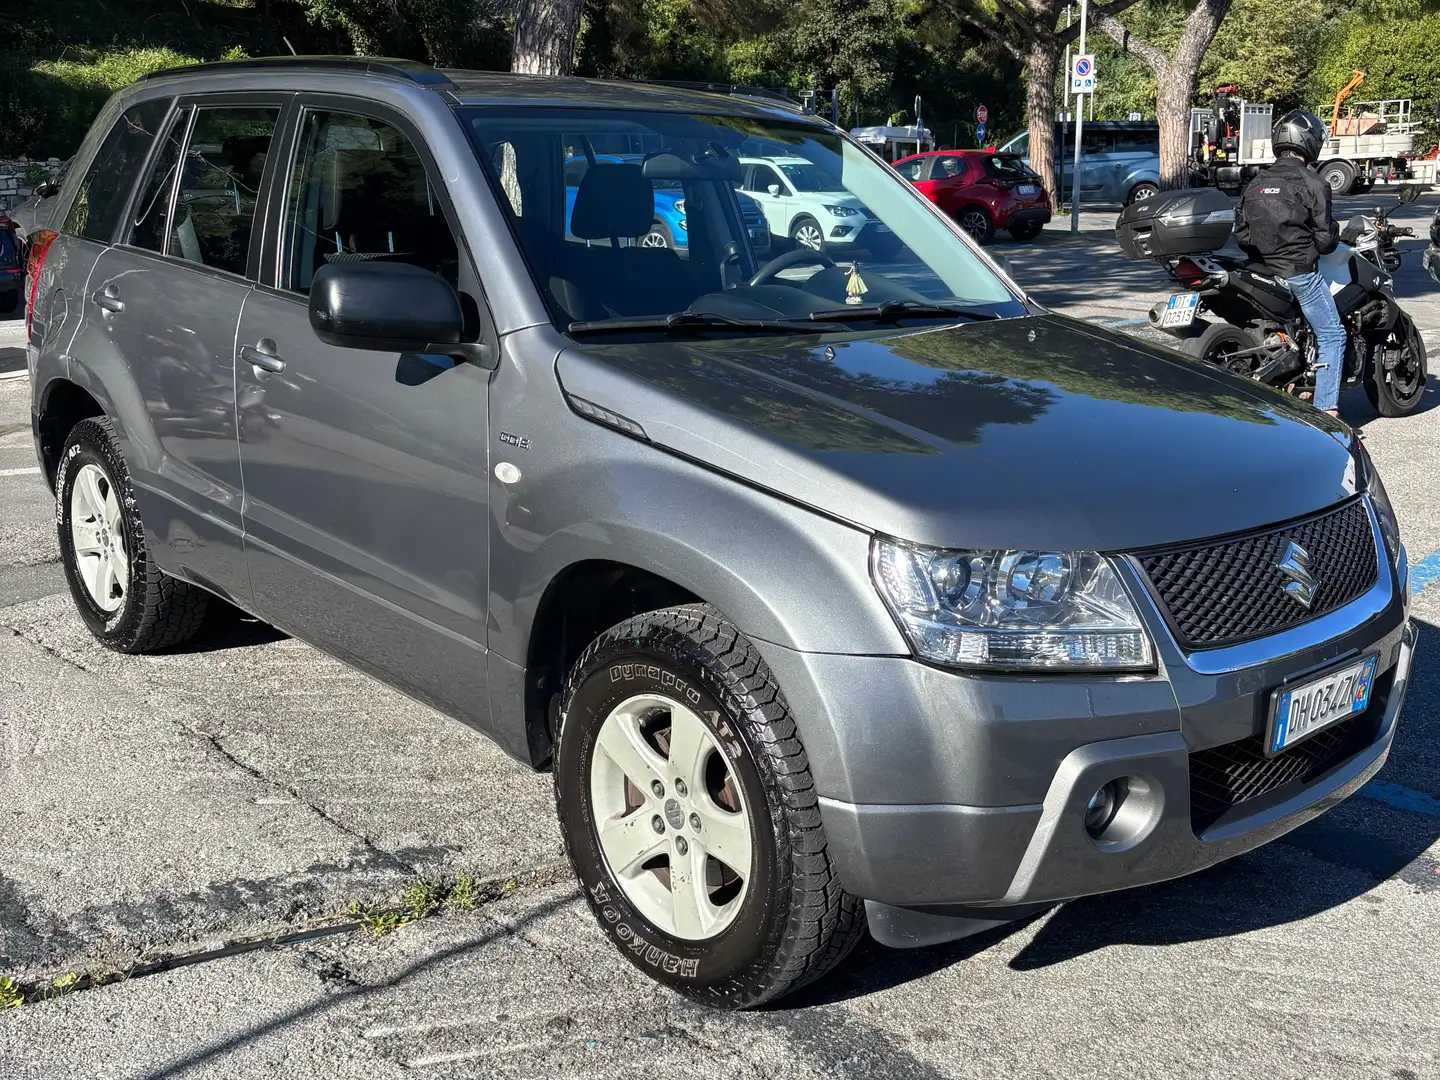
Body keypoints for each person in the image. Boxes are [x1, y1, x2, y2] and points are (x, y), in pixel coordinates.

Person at [1234, 110, 1344, 417]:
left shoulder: (1255, 183)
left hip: (1259, 270)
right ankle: (1326, 410)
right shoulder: (1314, 183)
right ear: (1309, 142)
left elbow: (1242, 235)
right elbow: (1325, 241)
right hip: (1297, 273)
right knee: (1332, 334)